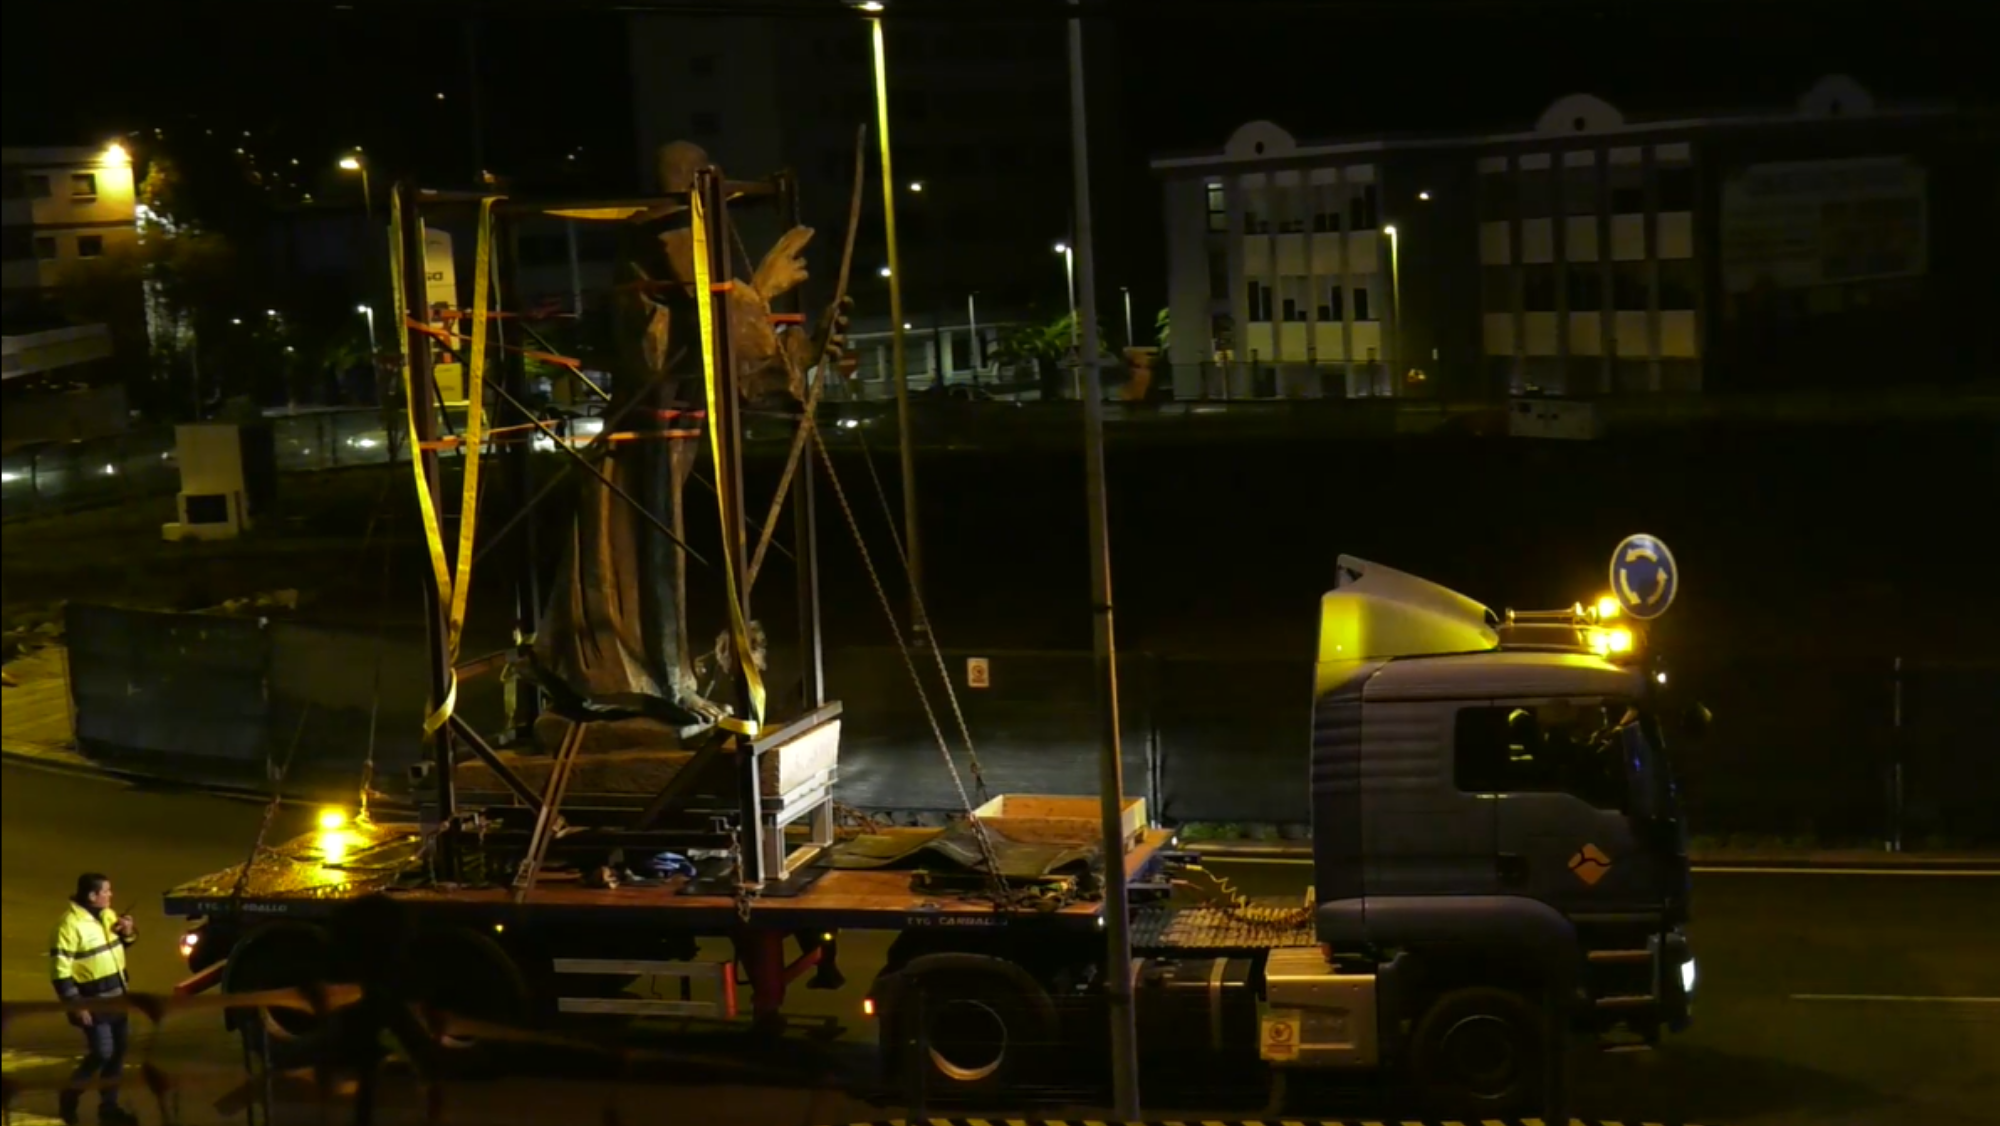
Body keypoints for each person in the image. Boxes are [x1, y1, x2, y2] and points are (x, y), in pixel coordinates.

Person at [50, 872, 140, 1126]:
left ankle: (109, 1108)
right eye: (106, 891)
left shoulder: (109, 916)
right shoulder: (68, 926)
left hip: (118, 998)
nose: (110, 895)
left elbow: (125, 944)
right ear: (92, 895)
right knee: (102, 1052)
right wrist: (76, 1005)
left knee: (118, 1052)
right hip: (92, 1002)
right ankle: (70, 1094)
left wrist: (129, 931)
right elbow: (59, 972)